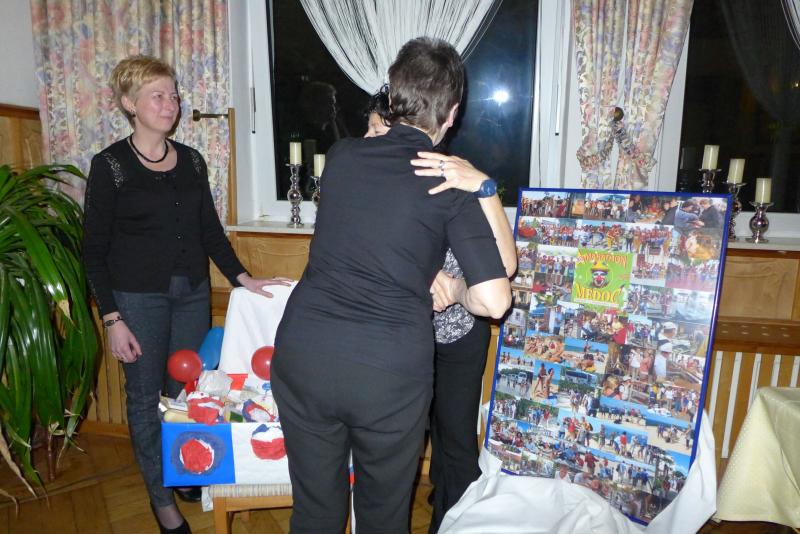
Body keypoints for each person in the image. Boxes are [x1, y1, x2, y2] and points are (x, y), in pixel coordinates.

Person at [271, 38, 511, 533]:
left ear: (393, 92)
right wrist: (457, 290)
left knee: (314, 512)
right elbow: (494, 300)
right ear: (452, 113)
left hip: (304, 353)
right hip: (386, 373)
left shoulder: (341, 156)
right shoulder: (449, 184)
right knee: (381, 517)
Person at [82, 55, 289, 534]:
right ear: (129, 103)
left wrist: (243, 279)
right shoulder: (110, 166)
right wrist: (112, 319)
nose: (170, 103)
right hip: (137, 300)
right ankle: (162, 502)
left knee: (187, 391)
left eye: (173, 95)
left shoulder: (192, 160)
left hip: (192, 293)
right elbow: (93, 251)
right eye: (157, 95)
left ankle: (184, 470)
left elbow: (210, 232)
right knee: (144, 397)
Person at [364, 86, 516, 532]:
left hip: (460, 333)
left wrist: (485, 186)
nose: (370, 139)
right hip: (408, 337)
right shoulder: (368, 183)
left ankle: (456, 520)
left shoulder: (449, 178)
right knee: (419, 433)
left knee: (456, 439)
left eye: (378, 130)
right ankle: (442, 495)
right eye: (369, 129)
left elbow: (504, 266)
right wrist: (424, 272)